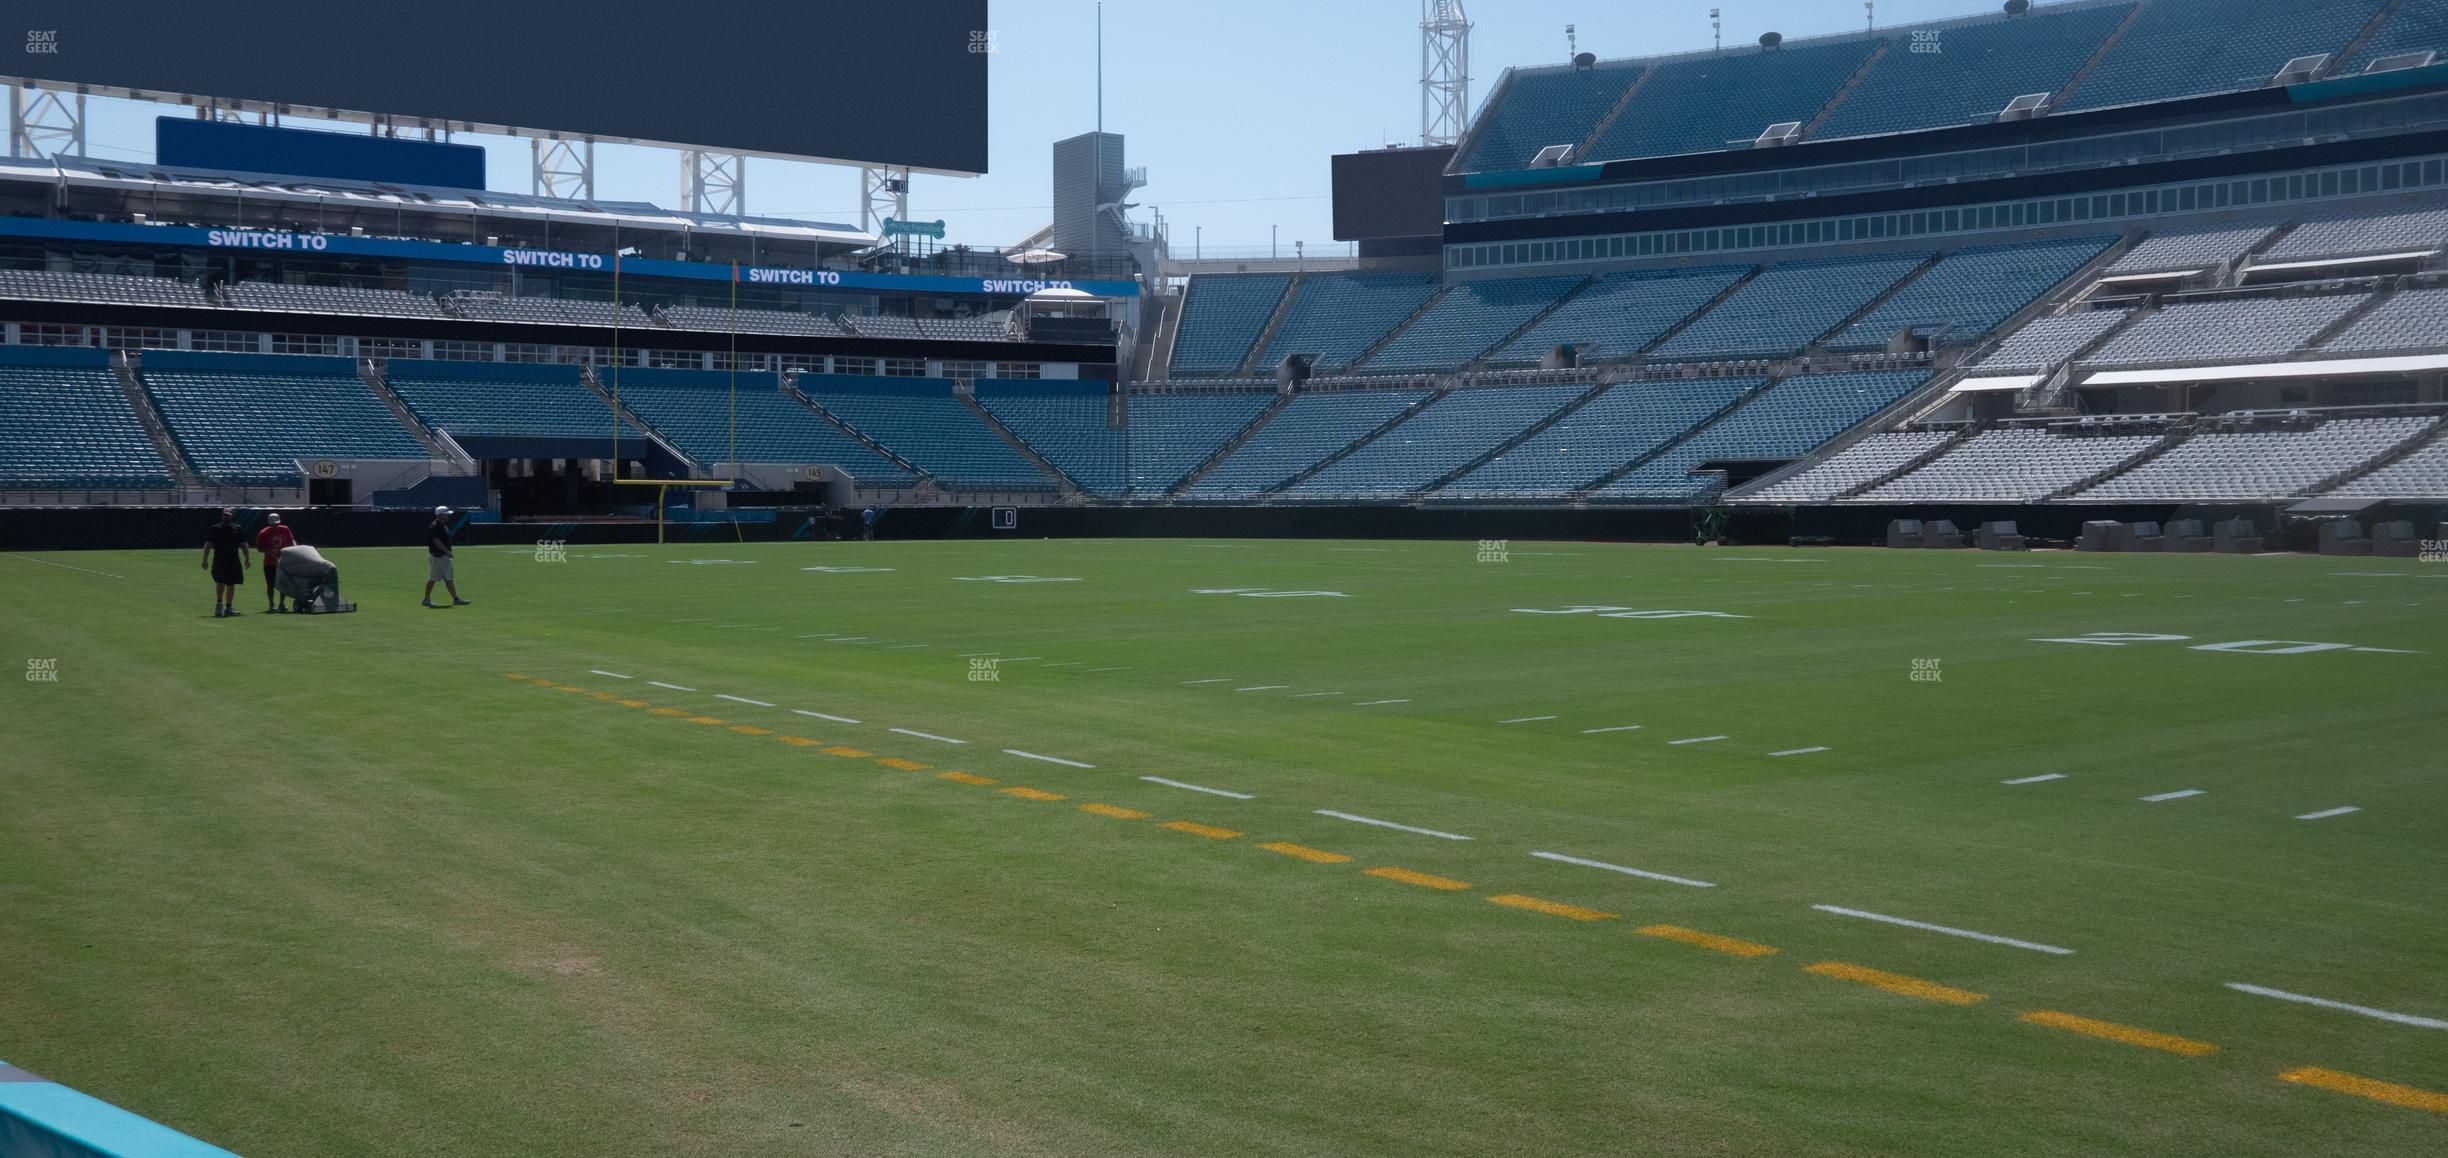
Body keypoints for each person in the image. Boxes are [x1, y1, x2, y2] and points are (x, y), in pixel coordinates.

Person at [201, 507, 247, 618]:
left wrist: (247, 557)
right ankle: (219, 604)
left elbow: (243, 544)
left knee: (231, 583)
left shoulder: (237, 528)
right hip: (219, 559)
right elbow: (208, 544)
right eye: (225, 515)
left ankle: (229, 607)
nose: (227, 516)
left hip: (233, 559)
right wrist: (205, 559)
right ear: (222, 516)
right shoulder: (215, 528)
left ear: (232, 516)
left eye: (229, 515)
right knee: (220, 581)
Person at [423, 505, 471, 608]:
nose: (448, 517)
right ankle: (426, 599)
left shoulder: (442, 525)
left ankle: (456, 599)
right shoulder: (435, 526)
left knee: (449, 578)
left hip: (444, 557)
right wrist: (447, 551)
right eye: (446, 514)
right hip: (438, 557)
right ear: (440, 515)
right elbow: (436, 541)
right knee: (433, 578)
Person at [254, 512, 297, 613]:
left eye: (276, 523)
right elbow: (259, 548)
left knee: (283, 584)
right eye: (273, 524)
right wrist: (270, 553)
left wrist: (295, 548)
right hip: (269, 563)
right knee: (270, 585)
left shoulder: (285, 529)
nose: (275, 526)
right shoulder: (263, 533)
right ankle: (271, 604)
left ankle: (282, 603)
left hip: (283, 562)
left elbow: (292, 540)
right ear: (269, 523)